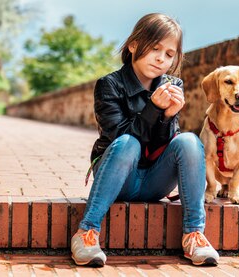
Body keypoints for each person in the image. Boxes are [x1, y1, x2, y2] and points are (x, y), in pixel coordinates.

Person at [71, 13, 219, 267]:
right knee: (129, 143)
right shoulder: (110, 85)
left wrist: (169, 117)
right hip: (118, 179)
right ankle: (86, 232)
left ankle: (194, 234)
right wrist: (153, 108)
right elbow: (119, 139)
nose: (161, 58)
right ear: (133, 45)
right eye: (155, 48)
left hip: (155, 181)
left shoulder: (173, 85)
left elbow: (166, 145)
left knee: (189, 141)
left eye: (170, 54)